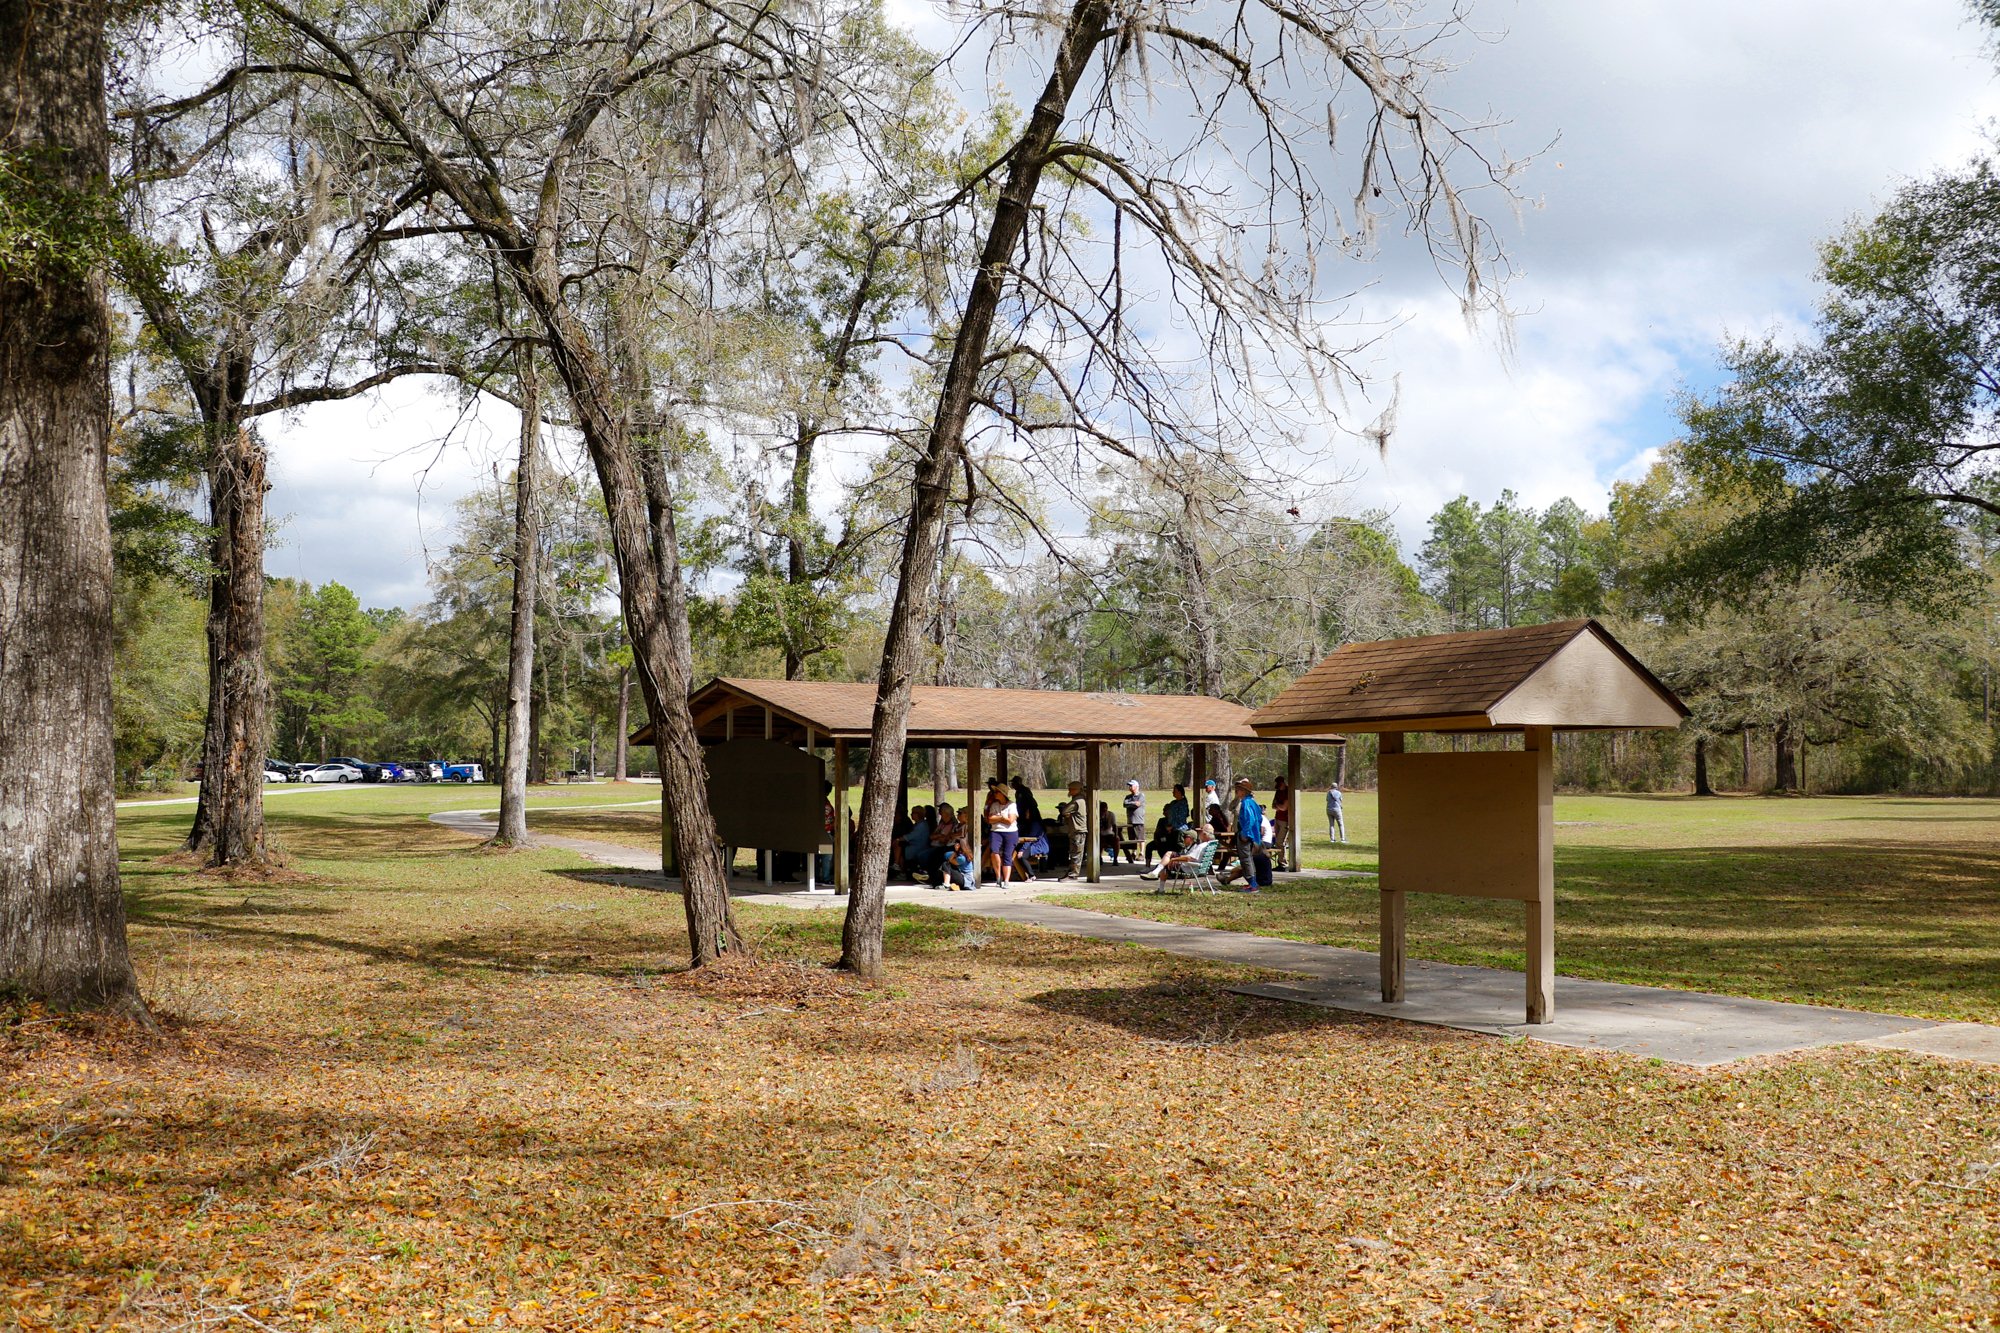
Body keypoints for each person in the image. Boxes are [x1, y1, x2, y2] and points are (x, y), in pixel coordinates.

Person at [1224, 777, 1264, 891]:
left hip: (1246, 836)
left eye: (1238, 790)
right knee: (1249, 859)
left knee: (1245, 860)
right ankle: (1253, 883)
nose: (1236, 792)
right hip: (1253, 835)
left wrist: (1244, 834)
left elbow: (1250, 820)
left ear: (1243, 791)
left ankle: (1252, 884)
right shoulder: (1253, 803)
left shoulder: (1246, 803)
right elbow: (1259, 818)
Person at [983, 776, 1020, 886]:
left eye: (997, 792)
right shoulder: (994, 805)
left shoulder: (1012, 805)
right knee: (994, 851)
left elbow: (1010, 820)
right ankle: (998, 875)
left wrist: (998, 818)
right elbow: (990, 819)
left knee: (1008, 855)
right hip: (996, 831)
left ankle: (1006, 880)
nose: (994, 794)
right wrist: (1002, 818)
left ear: (1002, 794)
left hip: (1011, 832)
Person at [1149, 825, 1216, 883]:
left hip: (1188, 868)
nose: (1200, 833)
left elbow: (1189, 858)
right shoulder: (1209, 845)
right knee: (1169, 854)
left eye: (1201, 831)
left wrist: (1173, 860)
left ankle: (1160, 886)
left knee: (1164, 866)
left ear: (1204, 834)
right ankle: (1155, 872)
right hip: (1195, 868)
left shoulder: (1201, 846)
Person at [1057, 781, 1088, 880]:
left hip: (1078, 830)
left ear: (1077, 790)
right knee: (1074, 853)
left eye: (1071, 789)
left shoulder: (1077, 801)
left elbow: (1065, 811)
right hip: (1076, 830)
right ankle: (1071, 872)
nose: (1069, 791)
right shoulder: (1080, 799)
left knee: (1076, 854)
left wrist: (1068, 814)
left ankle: (1073, 874)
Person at [895, 805, 932, 880]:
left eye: (913, 813)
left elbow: (911, 836)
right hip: (913, 845)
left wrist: (899, 839)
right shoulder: (917, 824)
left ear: (918, 814)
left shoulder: (922, 825)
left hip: (918, 847)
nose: (911, 815)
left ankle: (900, 869)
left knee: (900, 846)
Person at [1271, 777, 1293, 871]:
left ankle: (1283, 863)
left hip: (1285, 820)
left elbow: (1284, 807)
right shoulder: (1278, 792)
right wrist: (1278, 806)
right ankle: (1280, 862)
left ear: (1283, 783)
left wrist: (1278, 806)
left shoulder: (1288, 791)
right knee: (1277, 842)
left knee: (1281, 842)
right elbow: (1273, 805)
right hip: (1277, 818)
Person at [1122, 780, 1145, 849]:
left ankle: (1141, 853)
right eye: (1129, 786)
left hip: (1138, 821)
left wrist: (1130, 803)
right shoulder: (1128, 796)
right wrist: (1133, 803)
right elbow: (1125, 804)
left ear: (1136, 786)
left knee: (1140, 838)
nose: (1129, 787)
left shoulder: (1141, 795)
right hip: (1130, 821)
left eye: (1131, 786)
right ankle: (1133, 852)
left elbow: (1138, 804)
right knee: (1131, 839)